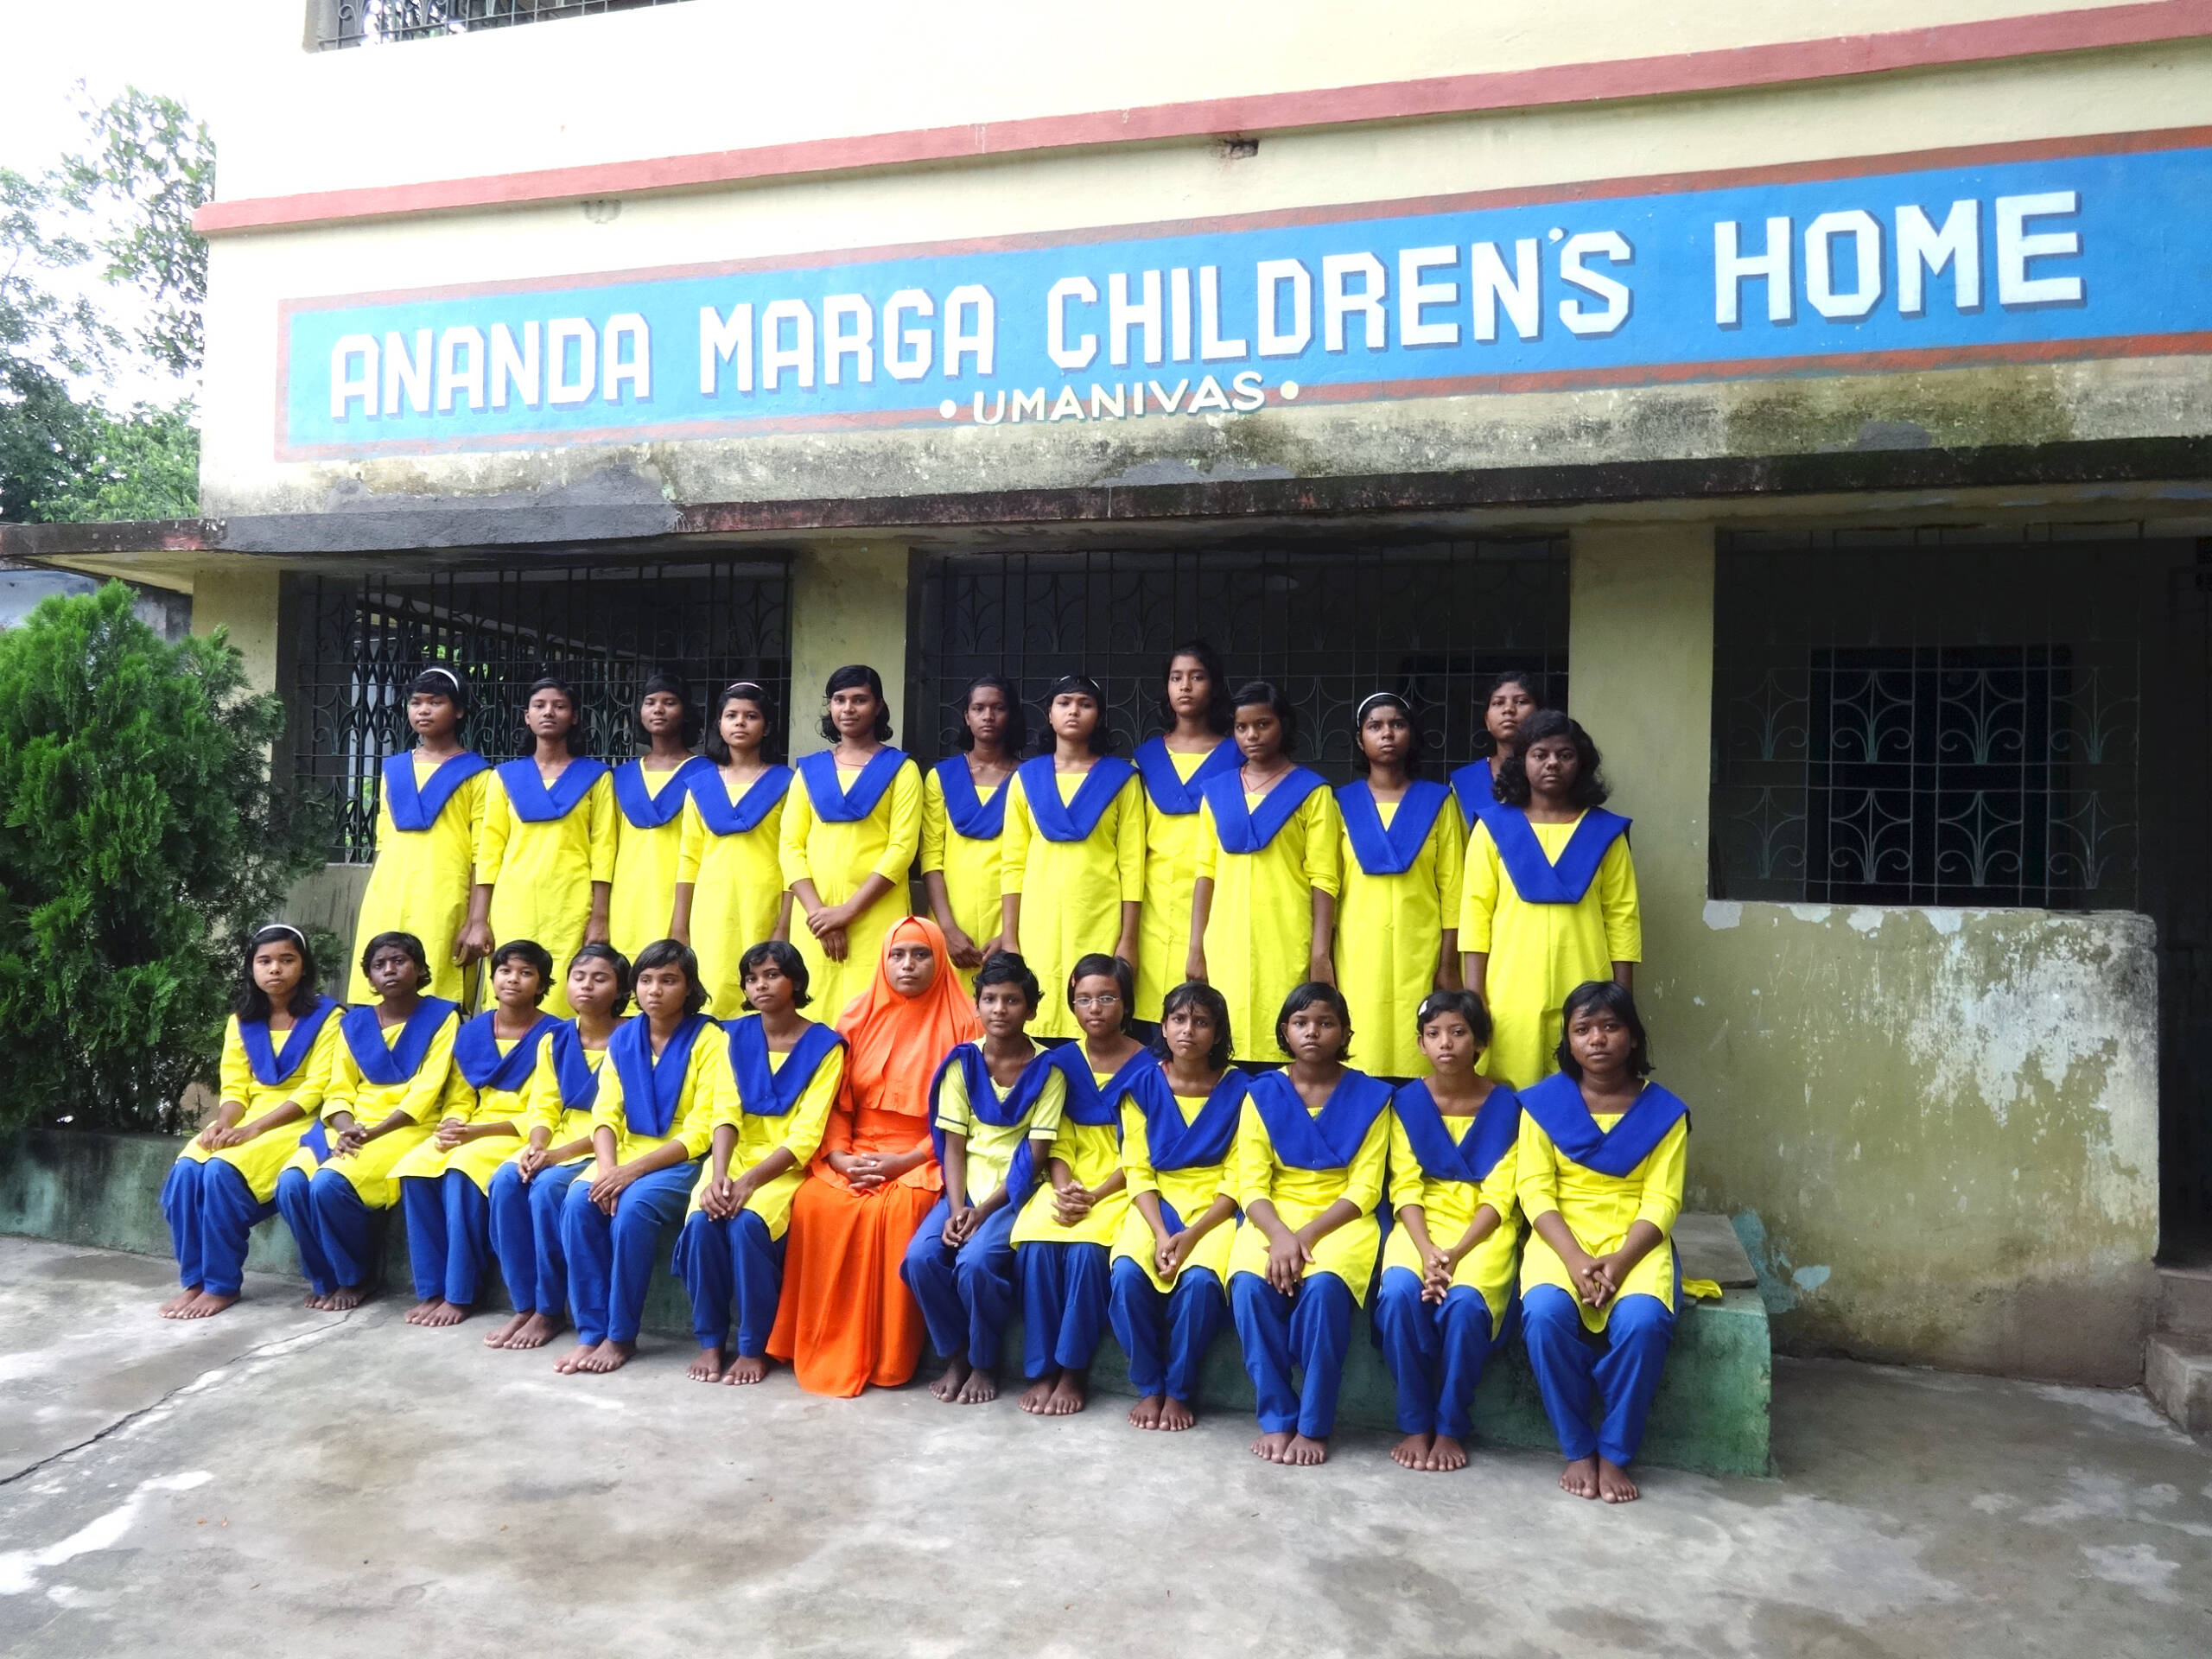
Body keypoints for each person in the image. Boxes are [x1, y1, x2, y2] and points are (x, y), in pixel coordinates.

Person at [766, 916, 979, 1396]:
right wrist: (840, 1157)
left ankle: (888, 1357)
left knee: (897, 1210)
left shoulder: (967, 1021)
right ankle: (819, 1341)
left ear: (940, 959)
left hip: (929, 1151)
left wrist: (905, 1161)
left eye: (921, 954)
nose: (908, 965)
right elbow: (836, 1103)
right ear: (883, 960)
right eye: (897, 955)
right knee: (817, 1202)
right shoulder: (856, 1016)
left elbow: (965, 1118)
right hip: (857, 1147)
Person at [1516, 982, 1687, 1504]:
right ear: (1568, 1041)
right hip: (1561, 1238)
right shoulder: (1543, 1106)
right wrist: (1573, 1259)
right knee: (1543, 1314)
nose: (1597, 1039)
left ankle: (1614, 1451)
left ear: (1633, 1037)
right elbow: (1534, 1189)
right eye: (1583, 1029)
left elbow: (1663, 1199)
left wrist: (1621, 1261)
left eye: (1611, 1027)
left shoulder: (1664, 1112)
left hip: (1635, 1241)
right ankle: (1576, 1446)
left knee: (1644, 1322)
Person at [1226, 982, 1390, 1466]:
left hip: (1340, 1220)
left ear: (1345, 1033)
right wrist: (1280, 1236)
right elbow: (1251, 1183)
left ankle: (1314, 1425)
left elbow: (1366, 1189)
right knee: (1248, 1286)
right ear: (1285, 1032)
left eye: (1325, 1023)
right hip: (1272, 1216)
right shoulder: (1261, 1094)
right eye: (1300, 1023)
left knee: (1323, 1290)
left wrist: (1304, 1238)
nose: (1312, 1032)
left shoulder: (1372, 1097)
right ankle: (1278, 1416)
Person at [673, 941, 846, 1385]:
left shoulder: (825, 1046)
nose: (760, 985)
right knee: (702, 1224)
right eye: (752, 979)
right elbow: (725, 1111)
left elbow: (807, 1135)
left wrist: (749, 1182)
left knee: (748, 1226)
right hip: (730, 1159)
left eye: (772, 975)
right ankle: (710, 1341)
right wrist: (719, 1177)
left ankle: (754, 1346)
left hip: (784, 1168)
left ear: (797, 982)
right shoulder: (732, 1036)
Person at [902, 951, 1065, 1406]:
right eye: (990, 999)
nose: (999, 1009)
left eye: (1012, 1000)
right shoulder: (963, 1063)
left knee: (976, 1264)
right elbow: (953, 1144)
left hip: (1015, 1193)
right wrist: (958, 1209)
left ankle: (983, 1361)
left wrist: (982, 1211)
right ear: (977, 1006)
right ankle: (956, 1354)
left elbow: (1035, 1155)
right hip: (964, 1188)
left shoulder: (1049, 1070)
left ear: (1031, 1009)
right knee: (920, 1259)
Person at [1373, 989, 1522, 1473]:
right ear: (1420, 1043)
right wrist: (1427, 1250)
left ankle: (1451, 1424)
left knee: (1465, 1305)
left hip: (1482, 1231)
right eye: (1434, 1033)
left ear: (1480, 1042)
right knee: (1399, 1294)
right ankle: (1416, 1422)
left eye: (1459, 1032)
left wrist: (1455, 1254)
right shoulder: (1406, 1103)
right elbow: (1405, 1186)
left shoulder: (1509, 1106)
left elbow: (1500, 1195)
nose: (1446, 1043)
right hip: (1419, 1225)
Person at [161, 924, 342, 1320]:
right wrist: (223, 1124)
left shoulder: (328, 1018)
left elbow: (317, 1088)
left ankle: (221, 1285)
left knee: (221, 1171)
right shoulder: (242, 1021)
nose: (275, 969)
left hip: (300, 1120)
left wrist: (254, 1129)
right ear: (251, 968)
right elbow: (235, 1088)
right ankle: (194, 1281)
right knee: (188, 1170)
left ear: (304, 966)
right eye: (265, 961)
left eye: (286, 960)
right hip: (248, 1117)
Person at [557, 939, 721, 1375]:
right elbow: (605, 1112)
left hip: (681, 1161)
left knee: (633, 1209)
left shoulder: (709, 1040)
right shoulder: (624, 1038)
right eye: (646, 980)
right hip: (624, 1154)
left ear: (689, 988)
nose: (655, 990)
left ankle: (620, 1336)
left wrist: (629, 1174)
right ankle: (591, 1332)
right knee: (577, 1202)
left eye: (669, 981)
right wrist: (608, 1170)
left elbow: (701, 1130)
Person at [275, 931, 461, 1311]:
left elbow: (427, 1090)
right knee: (291, 1183)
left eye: (399, 961)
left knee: (329, 1184)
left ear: (420, 969)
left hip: (407, 1128)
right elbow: (338, 1089)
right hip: (350, 1128)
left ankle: (357, 1277)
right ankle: (325, 1278)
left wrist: (371, 1133)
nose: (389, 970)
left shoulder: (443, 1017)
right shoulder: (354, 1023)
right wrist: (347, 1128)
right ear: (369, 977)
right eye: (379, 965)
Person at [1459, 709, 1640, 1090]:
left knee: (1581, 1090)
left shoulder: (1605, 832)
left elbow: (1622, 918)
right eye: (1540, 754)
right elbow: (1475, 916)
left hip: (1587, 981)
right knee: (1510, 1089)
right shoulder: (1492, 828)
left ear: (1581, 763)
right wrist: (1475, 996)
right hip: (1509, 987)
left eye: (1565, 754)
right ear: (1521, 762)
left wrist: (1622, 999)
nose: (1553, 763)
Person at [392, 939, 559, 1328]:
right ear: (493, 978)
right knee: (415, 1165)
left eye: (526, 973)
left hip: (521, 1131)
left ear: (541, 984)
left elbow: (549, 1107)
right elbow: (460, 1096)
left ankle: (461, 1292)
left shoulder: (555, 1033)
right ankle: (432, 1288)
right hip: (474, 1126)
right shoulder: (473, 1032)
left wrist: (478, 1132)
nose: (513, 979)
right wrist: (453, 1122)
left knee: (461, 1168)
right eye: (505, 971)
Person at [1011, 954, 1145, 1416]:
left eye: (1107, 997)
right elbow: (1057, 1136)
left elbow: (1144, 1150)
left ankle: (1072, 1371)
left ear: (1126, 1003)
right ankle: (1042, 1368)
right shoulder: (1062, 1062)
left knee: (1088, 1251)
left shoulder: (1150, 1065)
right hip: (1066, 1175)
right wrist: (1064, 1187)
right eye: (1084, 999)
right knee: (1036, 1244)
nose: (1095, 1008)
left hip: (1123, 1182)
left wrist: (1095, 1195)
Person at [1109, 981, 1245, 1431]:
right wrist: (1163, 1232)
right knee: (1127, 1273)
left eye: (1202, 1022)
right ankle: (1150, 1385)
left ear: (1218, 1033)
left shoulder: (1241, 1090)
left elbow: (1238, 1175)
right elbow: (1137, 1168)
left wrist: (1193, 1234)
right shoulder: (1142, 1085)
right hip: (1155, 1203)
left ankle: (1180, 1390)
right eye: (1179, 1019)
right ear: (1163, 1028)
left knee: (1201, 1282)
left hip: (1215, 1208)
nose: (1189, 1030)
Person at [482, 944, 632, 1351]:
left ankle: (550, 1310)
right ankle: (525, 1303)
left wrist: (557, 1157)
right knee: (506, 1180)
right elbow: (544, 1105)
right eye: (579, 977)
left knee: (548, 1189)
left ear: (621, 989)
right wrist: (536, 1147)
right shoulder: (555, 1038)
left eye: (600, 979)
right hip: (560, 1138)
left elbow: (621, 1116)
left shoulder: (632, 1038)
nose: (587, 986)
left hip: (611, 1140)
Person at [1185, 682, 1341, 1064]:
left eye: (1263, 724)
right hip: (1226, 937)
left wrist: (1320, 953)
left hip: (1287, 934)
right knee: (1227, 1038)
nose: (1251, 735)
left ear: (1283, 725)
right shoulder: (1217, 792)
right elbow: (1205, 873)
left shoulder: (1313, 792)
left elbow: (1324, 877)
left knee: (1286, 1035)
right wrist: (1196, 946)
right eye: (1242, 727)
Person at [1000, 675, 1143, 1041]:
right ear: (1049, 714)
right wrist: (1010, 937)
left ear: (1100, 715)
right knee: (1040, 1019)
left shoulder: (1122, 779)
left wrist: (1128, 939)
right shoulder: (1025, 778)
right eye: (1064, 703)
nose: (1074, 711)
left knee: (1096, 1017)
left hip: (1100, 918)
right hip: (1037, 922)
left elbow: (1132, 865)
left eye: (1085, 704)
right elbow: (1012, 863)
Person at [469, 677, 616, 1020]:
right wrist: (478, 919)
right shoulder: (503, 777)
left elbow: (604, 849)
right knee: (511, 982)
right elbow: (489, 850)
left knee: (565, 988)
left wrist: (599, 916)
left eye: (559, 706)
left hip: (571, 902)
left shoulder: (597, 777)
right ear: (527, 716)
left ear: (574, 717)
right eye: (539, 705)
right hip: (512, 902)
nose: (549, 712)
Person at [780, 664, 923, 1020]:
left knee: (876, 1013)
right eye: (839, 699)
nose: (848, 708)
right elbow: (790, 846)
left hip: (876, 914)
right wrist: (820, 915)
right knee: (812, 1013)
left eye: (860, 699)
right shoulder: (808, 771)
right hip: (814, 918)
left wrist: (848, 912)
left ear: (878, 706)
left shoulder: (902, 769)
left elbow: (902, 848)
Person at [1334, 693, 1464, 1080]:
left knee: (1418, 1054)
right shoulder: (1340, 803)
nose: (1387, 733)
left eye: (1397, 724)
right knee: (1362, 1055)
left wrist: (1447, 963)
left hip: (1421, 949)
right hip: (1357, 951)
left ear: (1412, 734)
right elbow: (1326, 886)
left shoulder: (1439, 802)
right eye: (1375, 726)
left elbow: (1453, 889)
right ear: (1360, 741)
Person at [349, 667, 491, 1002]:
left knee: (437, 991)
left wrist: (476, 919)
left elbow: (482, 852)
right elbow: (383, 839)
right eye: (416, 702)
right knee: (379, 986)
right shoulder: (394, 769)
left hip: (445, 895)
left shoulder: (480, 775)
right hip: (388, 893)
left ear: (459, 710)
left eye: (435, 702)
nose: (423, 710)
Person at [670, 681, 793, 1017]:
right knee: (714, 985)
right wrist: (680, 925)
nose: (740, 722)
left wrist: (785, 922)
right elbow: (689, 858)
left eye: (751, 716)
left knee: (763, 986)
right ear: (719, 725)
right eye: (731, 715)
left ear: (767, 727)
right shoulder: (701, 786)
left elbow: (792, 852)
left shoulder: (787, 783)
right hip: (712, 905)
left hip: (765, 901)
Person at [1132, 642, 1238, 1024]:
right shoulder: (1145, 759)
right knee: (1154, 1017)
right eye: (1176, 678)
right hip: (1154, 900)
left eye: (1197, 677)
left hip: (1217, 892)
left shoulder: (1238, 757)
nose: (1186, 687)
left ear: (1215, 685)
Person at [921, 675, 1020, 993]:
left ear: (1011, 715)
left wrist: (1009, 935)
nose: (988, 716)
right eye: (978, 708)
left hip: (1009, 918)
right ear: (966, 716)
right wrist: (948, 929)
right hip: (951, 917)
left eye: (998, 708)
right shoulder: (941, 777)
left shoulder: (1029, 778)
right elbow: (931, 858)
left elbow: (1032, 859)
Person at [608, 672, 709, 969]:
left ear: (686, 712)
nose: (658, 709)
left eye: (669, 702)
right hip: (627, 897)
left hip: (680, 895)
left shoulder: (707, 774)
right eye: (650, 702)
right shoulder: (621, 776)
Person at [1447, 670, 1541, 842]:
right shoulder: (1465, 782)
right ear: (1487, 721)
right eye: (1498, 703)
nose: (1508, 709)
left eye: (1521, 701)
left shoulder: (1553, 775)